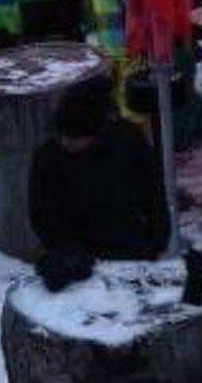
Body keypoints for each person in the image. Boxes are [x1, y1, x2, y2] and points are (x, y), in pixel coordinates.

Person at [27, 81, 170, 262]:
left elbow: (153, 192)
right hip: (77, 251)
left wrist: (156, 241)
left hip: (128, 243)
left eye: (75, 138)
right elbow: (42, 215)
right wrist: (68, 251)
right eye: (63, 135)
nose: (67, 142)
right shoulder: (48, 157)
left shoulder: (127, 141)